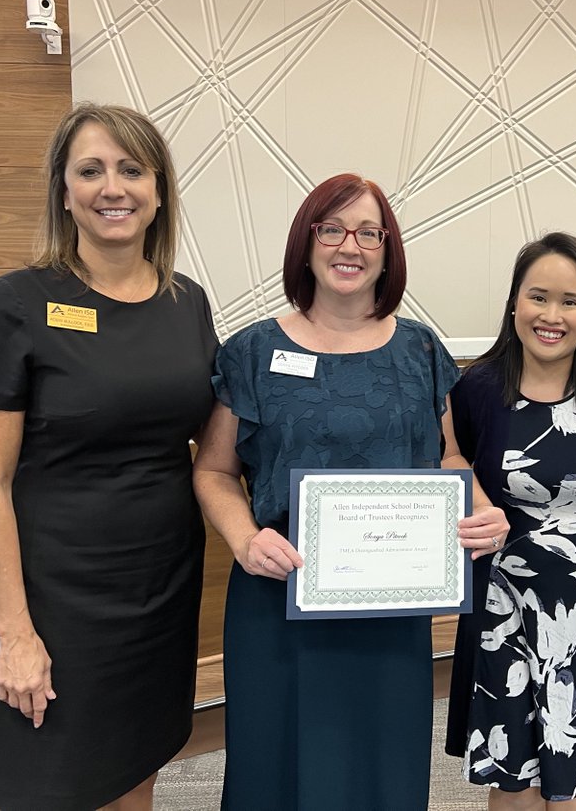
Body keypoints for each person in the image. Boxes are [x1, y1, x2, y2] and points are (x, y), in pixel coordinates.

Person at [192, 173, 509, 811]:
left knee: (380, 766)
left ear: (388, 249)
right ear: (305, 244)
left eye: (369, 232)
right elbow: (215, 470)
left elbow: (444, 457)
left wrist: (479, 509)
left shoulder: (419, 349)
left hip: (388, 607)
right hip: (279, 596)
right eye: (331, 228)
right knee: (274, 767)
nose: (350, 245)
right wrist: (244, 538)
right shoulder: (253, 351)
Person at [0, 103, 218, 810]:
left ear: (159, 190)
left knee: (139, 765)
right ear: (63, 190)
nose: (113, 188)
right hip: (56, 598)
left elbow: (215, 445)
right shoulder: (15, 303)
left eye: (131, 170)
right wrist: (15, 635)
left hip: (162, 586)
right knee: (55, 782)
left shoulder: (185, 303)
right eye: (90, 170)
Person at [443, 232, 576, 809]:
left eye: (570, 301)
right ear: (514, 303)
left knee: (571, 763)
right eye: (538, 297)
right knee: (510, 768)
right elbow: (455, 460)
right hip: (501, 601)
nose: (551, 315)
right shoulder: (478, 387)